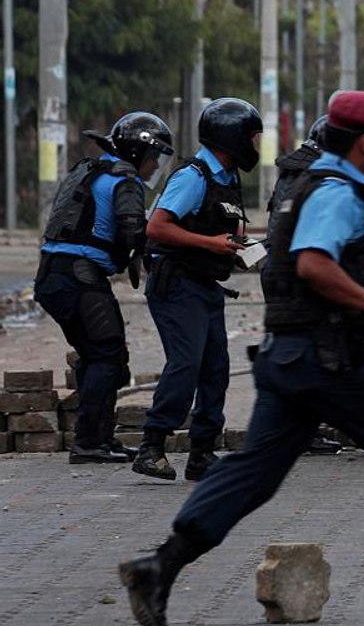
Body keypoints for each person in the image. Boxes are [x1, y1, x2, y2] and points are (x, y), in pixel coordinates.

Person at [118, 90, 364, 626]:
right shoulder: (336, 191)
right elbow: (314, 264)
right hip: (324, 358)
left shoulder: (311, 182)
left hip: (290, 357)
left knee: (253, 474)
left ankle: (161, 566)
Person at [35, 113, 174, 464]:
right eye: (153, 155)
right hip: (77, 277)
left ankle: (99, 438)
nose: (155, 164)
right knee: (107, 355)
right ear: (136, 150)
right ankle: (88, 443)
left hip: (56, 274)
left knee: (99, 354)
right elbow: (134, 231)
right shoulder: (124, 179)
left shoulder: (95, 168)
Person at [134, 98, 260, 482]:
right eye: (252, 138)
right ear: (232, 137)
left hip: (205, 286)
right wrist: (212, 245)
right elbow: (156, 227)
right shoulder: (195, 176)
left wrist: (243, 249)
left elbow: (225, 230)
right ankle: (151, 447)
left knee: (215, 369)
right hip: (176, 284)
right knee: (186, 364)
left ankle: (201, 454)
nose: (255, 147)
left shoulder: (227, 177)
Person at [262, 114, 346, 456]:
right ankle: (293, 431)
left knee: (295, 354)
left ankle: (291, 429)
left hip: (280, 271)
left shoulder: (295, 174)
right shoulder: (320, 179)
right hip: (297, 277)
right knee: (306, 353)